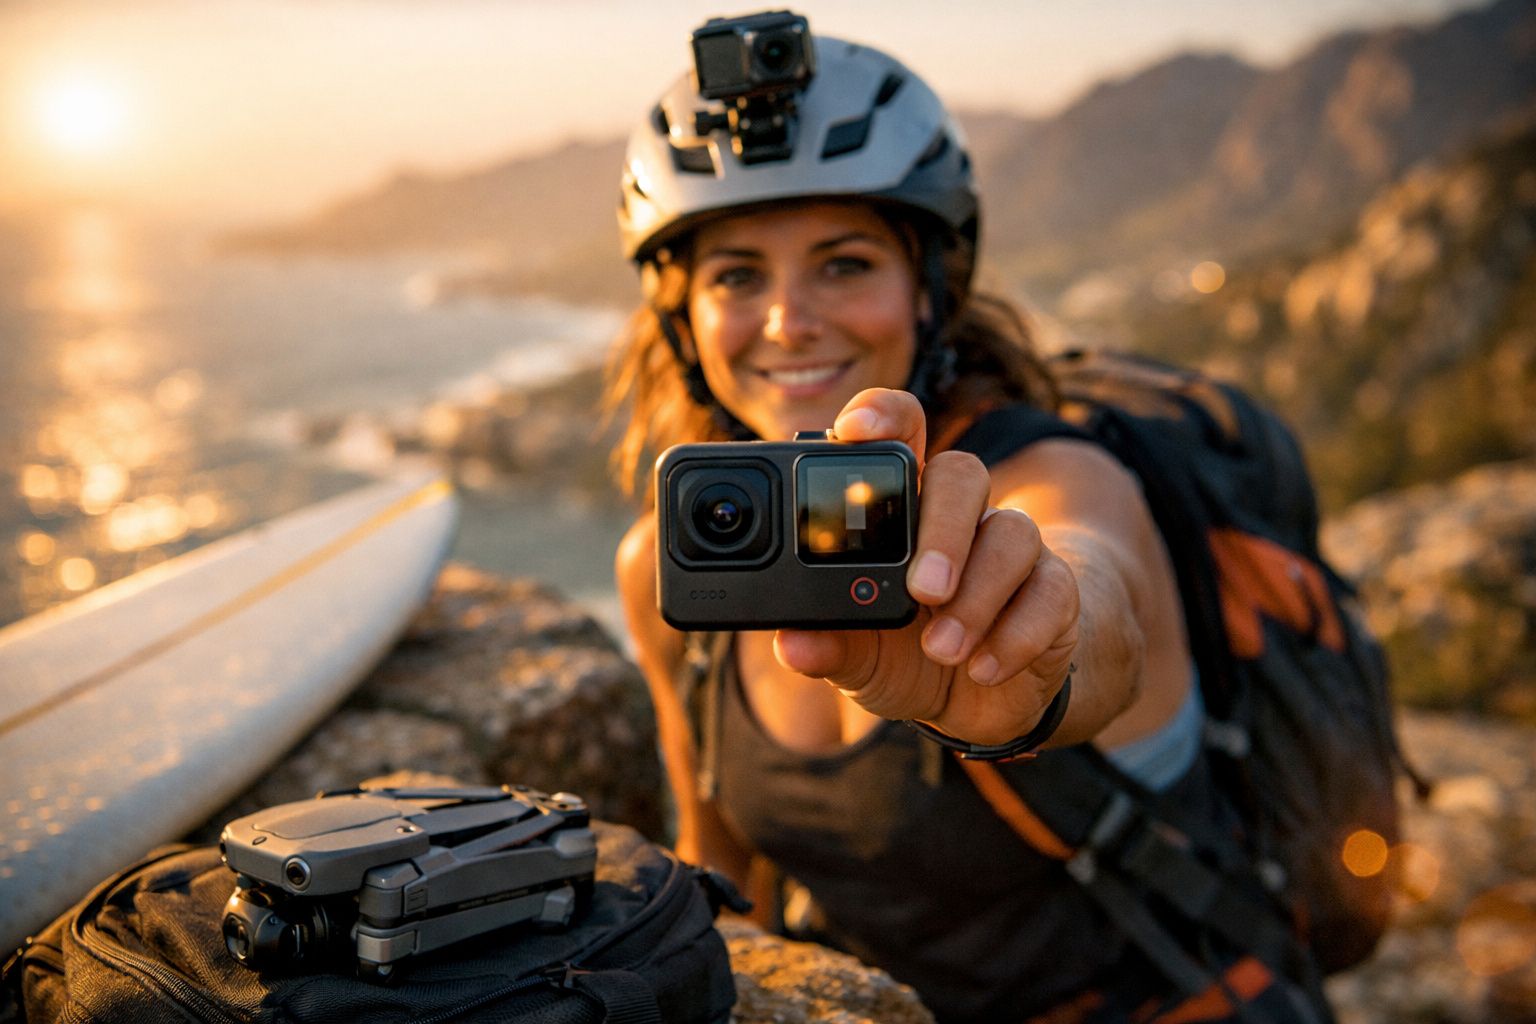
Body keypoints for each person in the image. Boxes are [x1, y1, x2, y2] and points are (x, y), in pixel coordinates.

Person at [606, 16, 1322, 1023]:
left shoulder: (1059, 477)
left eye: (845, 262)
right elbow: (722, 875)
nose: (789, 320)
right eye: (736, 275)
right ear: (681, 318)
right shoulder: (667, 570)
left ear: (930, 287)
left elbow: (1091, 589)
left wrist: (1034, 651)